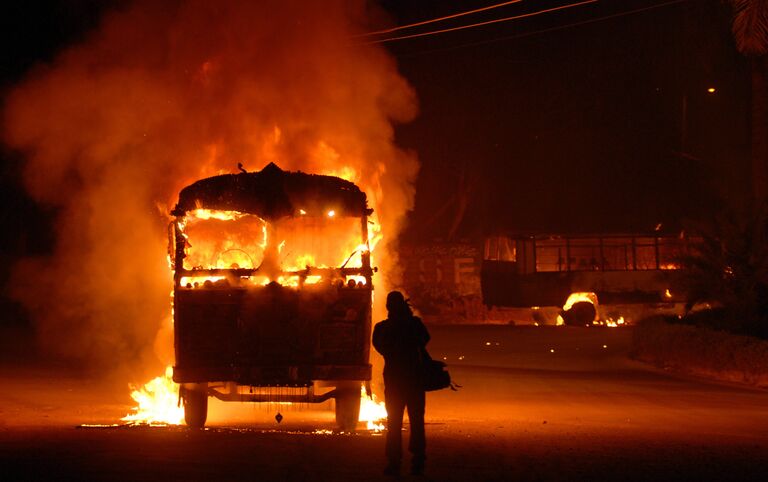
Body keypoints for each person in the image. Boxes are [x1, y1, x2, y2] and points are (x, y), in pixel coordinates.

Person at [372, 291, 431, 476]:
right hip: (414, 380)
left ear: (388, 307)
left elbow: (380, 347)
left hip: (395, 381)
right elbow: (425, 339)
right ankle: (418, 461)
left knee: (394, 423)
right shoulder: (414, 325)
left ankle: (394, 462)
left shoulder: (382, 328)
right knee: (416, 422)